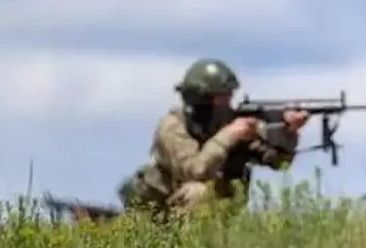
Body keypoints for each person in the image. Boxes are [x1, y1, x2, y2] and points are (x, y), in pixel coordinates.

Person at [117, 58, 310, 216]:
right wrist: (230, 135)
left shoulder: (228, 123)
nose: (227, 102)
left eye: (228, 95)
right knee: (198, 191)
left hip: (210, 211)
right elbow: (195, 170)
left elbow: (277, 162)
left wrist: (288, 132)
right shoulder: (173, 127)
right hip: (160, 208)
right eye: (221, 97)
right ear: (201, 99)